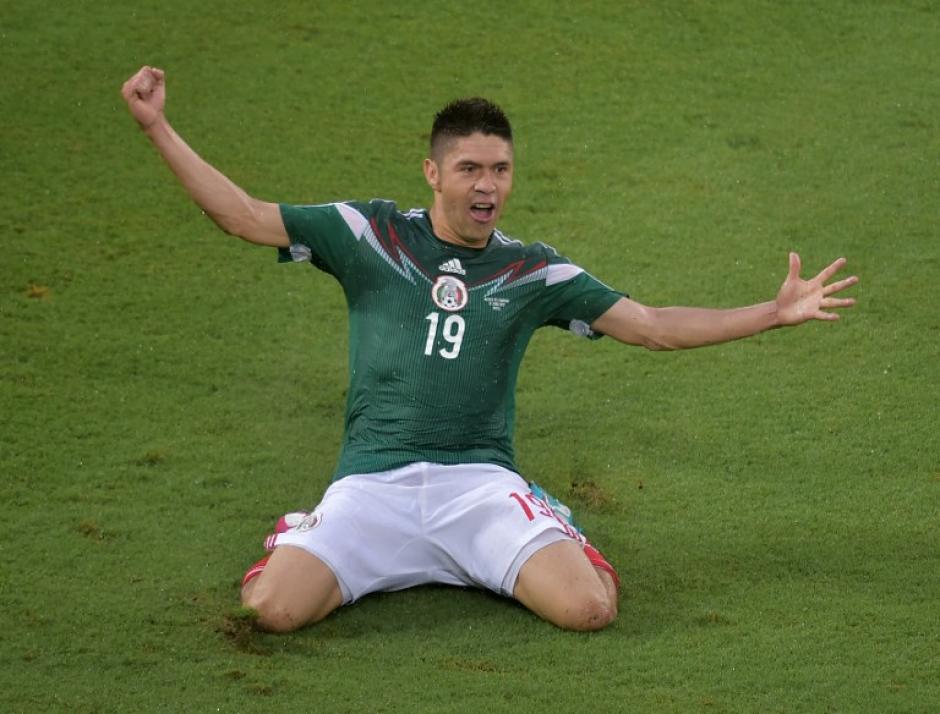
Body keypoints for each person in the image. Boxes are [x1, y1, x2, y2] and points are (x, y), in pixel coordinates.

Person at [121, 66, 858, 633]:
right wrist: (158, 126)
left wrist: (772, 311)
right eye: (471, 169)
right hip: (371, 487)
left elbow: (653, 323)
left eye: (500, 170)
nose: (488, 186)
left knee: (588, 611)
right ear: (434, 173)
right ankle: (309, 535)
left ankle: (542, 527)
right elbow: (245, 217)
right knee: (273, 613)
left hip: (477, 487)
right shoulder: (369, 234)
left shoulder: (530, 269)